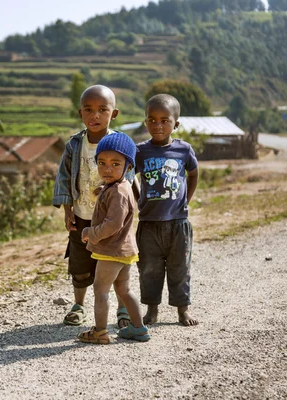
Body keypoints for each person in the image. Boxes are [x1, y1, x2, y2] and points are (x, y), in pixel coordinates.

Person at [53, 85, 134, 328]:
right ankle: (78, 305)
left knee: (115, 265)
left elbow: (130, 178)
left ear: (114, 113)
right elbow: (65, 177)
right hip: (81, 215)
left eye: (102, 110)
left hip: (111, 221)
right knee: (79, 265)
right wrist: (68, 210)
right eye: (88, 110)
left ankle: (123, 309)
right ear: (80, 113)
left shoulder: (120, 144)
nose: (94, 115)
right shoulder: (74, 145)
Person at [77, 132, 150, 344]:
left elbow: (113, 224)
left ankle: (100, 332)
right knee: (124, 290)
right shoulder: (120, 186)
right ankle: (138, 328)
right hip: (125, 251)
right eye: (102, 163)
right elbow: (116, 193)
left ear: (128, 166)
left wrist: (90, 233)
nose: (107, 169)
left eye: (115, 164)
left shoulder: (117, 192)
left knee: (101, 290)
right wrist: (103, 190)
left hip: (112, 252)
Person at [135, 93, 199, 327]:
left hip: (178, 223)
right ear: (146, 122)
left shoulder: (184, 150)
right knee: (149, 269)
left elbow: (193, 173)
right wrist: (137, 197)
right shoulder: (140, 151)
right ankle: (152, 311)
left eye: (164, 120)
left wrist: (186, 199)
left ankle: (183, 311)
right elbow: (129, 176)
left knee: (179, 268)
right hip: (148, 223)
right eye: (152, 120)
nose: (157, 125)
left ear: (176, 124)